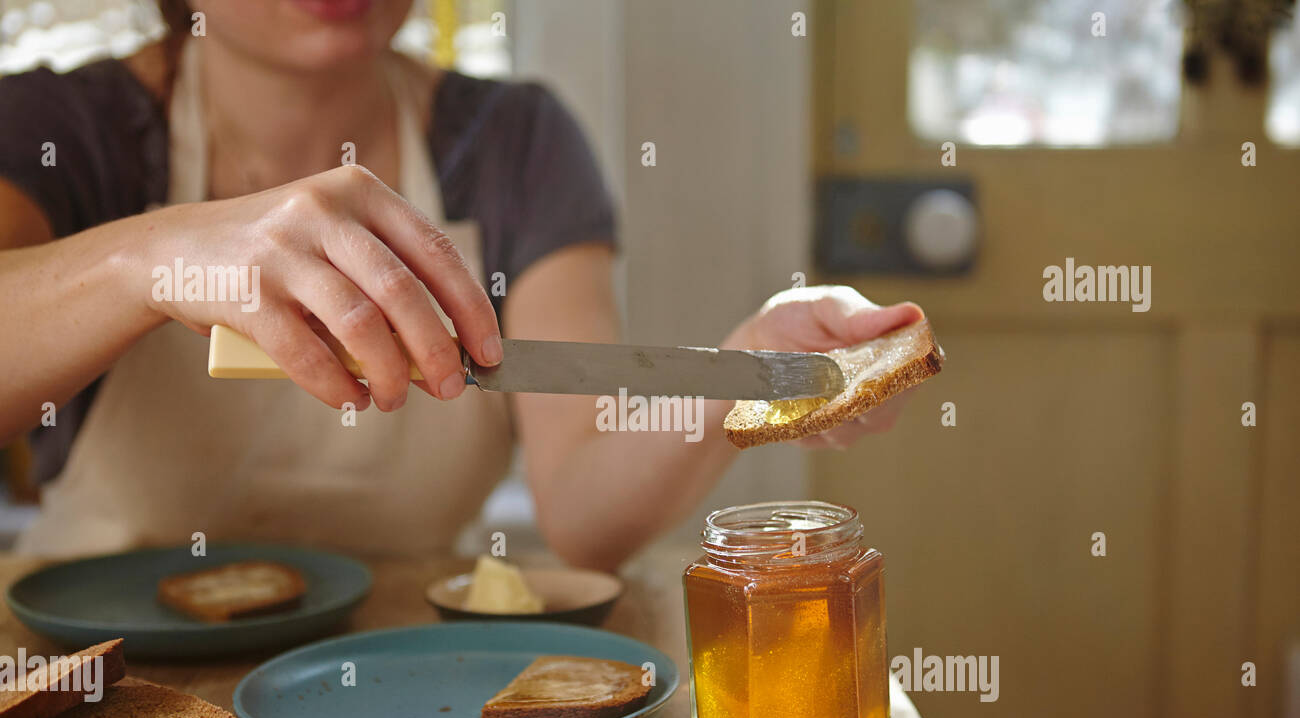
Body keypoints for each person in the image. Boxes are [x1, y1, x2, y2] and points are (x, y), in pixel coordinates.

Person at [0, 0, 926, 570]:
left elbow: (584, 515)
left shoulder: (517, 142)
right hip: (101, 685)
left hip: (401, 691)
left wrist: (746, 368)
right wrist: (149, 260)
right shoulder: (56, 129)